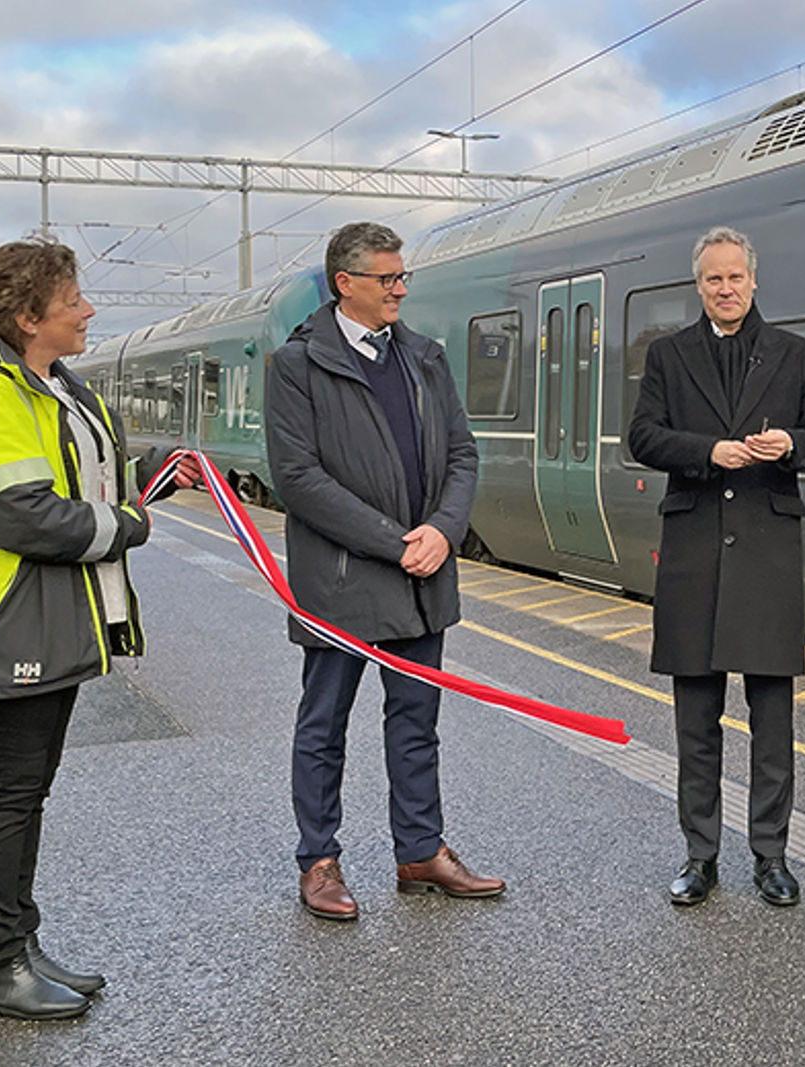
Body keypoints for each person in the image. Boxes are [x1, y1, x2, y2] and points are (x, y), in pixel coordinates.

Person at [0, 238, 199, 1020]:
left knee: (27, 793)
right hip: (3, 622)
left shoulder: (54, 386)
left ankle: (22, 945)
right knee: (6, 794)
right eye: (74, 299)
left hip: (48, 620)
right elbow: (24, 515)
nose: (89, 310)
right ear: (26, 315)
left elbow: (88, 479)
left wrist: (161, 477)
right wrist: (132, 524)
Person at [265, 221, 494, 922]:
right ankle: (319, 860)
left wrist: (443, 532)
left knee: (417, 721)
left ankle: (420, 850)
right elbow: (298, 479)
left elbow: (462, 453)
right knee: (323, 723)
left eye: (402, 278)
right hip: (341, 580)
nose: (399, 289)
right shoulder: (297, 365)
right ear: (346, 284)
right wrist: (397, 541)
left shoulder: (424, 357)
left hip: (422, 577)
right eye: (387, 279)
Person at [627, 226, 805, 908]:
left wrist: (789, 446)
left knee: (772, 720)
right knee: (696, 719)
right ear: (699, 286)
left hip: (766, 553)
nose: (725, 288)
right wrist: (705, 452)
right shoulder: (668, 354)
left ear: (754, 281)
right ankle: (699, 856)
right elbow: (643, 435)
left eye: (735, 277)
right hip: (694, 553)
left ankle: (771, 856)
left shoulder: (795, 354)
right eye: (713, 279)